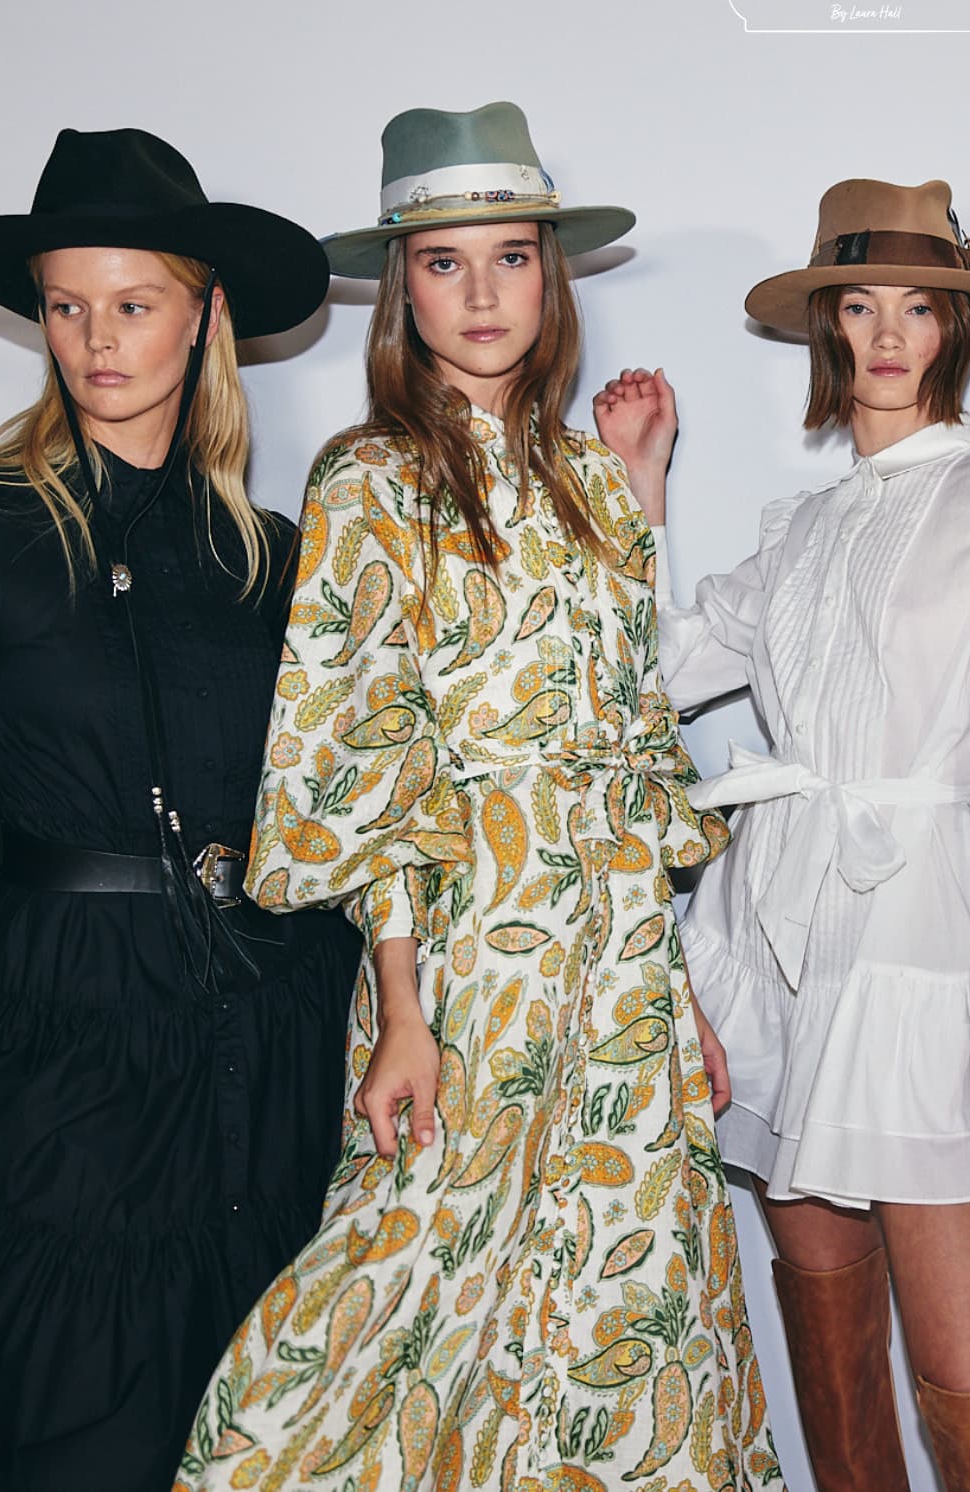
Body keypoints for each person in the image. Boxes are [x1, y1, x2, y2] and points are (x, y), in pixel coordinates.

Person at [176, 102, 784, 1491]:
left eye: (510, 256)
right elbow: (365, 747)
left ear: (549, 274)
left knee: (618, 1310)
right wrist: (400, 1005)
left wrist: (674, 989)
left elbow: (632, 732)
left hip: (618, 959)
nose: (484, 292)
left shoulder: (586, 479)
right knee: (412, 1286)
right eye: (446, 264)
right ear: (404, 288)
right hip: (463, 948)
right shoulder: (369, 480)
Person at [593, 178, 970, 1491]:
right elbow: (646, 676)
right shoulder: (795, 530)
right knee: (826, 1322)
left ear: (954, 327)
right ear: (831, 328)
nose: (890, 332)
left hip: (918, 944)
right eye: (861, 305)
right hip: (770, 941)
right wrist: (640, 493)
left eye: (920, 306)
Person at [0, 127, 359, 1492]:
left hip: (262, 1045)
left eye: (131, 304)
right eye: (67, 306)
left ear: (202, 316)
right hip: (63, 1052)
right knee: (82, 1431)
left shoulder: (273, 564)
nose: (94, 340)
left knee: (248, 1429)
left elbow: (351, 816)